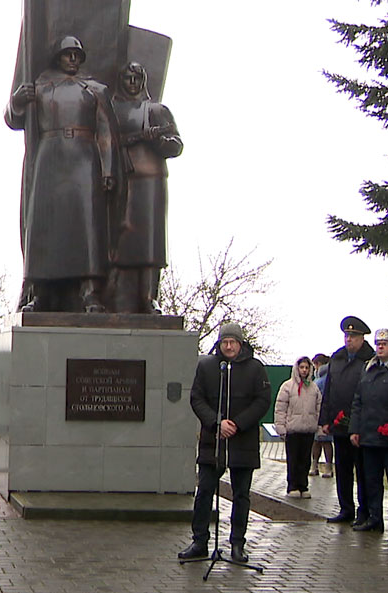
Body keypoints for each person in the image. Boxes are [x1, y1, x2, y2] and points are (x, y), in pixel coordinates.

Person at [6, 35, 115, 313]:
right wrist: (17, 101)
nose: (72, 59)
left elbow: (105, 133)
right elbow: (13, 120)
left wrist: (108, 168)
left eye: (77, 55)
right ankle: (41, 292)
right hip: (49, 157)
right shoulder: (41, 86)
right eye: (68, 54)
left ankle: (90, 291)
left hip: (84, 158)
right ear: (59, 56)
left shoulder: (95, 89)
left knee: (86, 226)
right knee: (45, 228)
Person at [178, 323, 271, 564]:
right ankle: (199, 541)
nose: (228, 346)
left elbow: (262, 401)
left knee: (241, 495)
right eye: (224, 342)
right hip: (213, 442)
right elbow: (196, 398)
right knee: (205, 492)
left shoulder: (255, 368)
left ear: (241, 344)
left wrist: (237, 424)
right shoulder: (208, 366)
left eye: (233, 342)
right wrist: (217, 422)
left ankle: (237, 544)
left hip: (243, 442)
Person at [108, 61, 183, 314]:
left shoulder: (157, 110)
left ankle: (149, 297)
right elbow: (105, 141)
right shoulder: (112, 110)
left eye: (136, 78)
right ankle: (114, 296)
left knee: (150, 242)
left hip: (152, 182)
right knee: (120, 239)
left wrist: (159, 140)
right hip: (122, 179)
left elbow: (176, 145)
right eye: (128, 78)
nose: (132, 83)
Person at [349, 328, 388, 537]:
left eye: (385, 344)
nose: (380, 347)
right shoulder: (369, 368)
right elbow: (358, 400)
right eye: (378, 344)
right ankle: (375, 519)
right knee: (371, 481)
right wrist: (355, 429)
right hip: (368, 435)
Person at [318, 316, 375, 526]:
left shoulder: (369, 359)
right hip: (339, 423)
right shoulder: (338, 357)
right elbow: (329, 390)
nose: (348, 340)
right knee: (342, 469)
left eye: (353, 336)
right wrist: (325, 419)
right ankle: (346, 509)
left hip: (359, 425)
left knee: (362, 471)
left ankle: (364, 511)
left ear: (362, 338)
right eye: (346, 335)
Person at [273, 356, 321, 499]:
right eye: (302, 367)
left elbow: (319, 407)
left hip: (308, 429)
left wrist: (317, 424)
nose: (304, 370)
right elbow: (280, 408)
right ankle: (292, 486)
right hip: (293, 429)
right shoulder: (287, 386)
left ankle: (303, 485)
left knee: (305, 460)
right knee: (293, 459)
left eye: (307, 367)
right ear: (297, 368)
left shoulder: (314, 388)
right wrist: (281, 427)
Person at [310, 353, 333, 478]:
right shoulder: (329, 377)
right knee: (322, 441)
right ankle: (327, 467)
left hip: (319, 415)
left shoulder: (319, 381)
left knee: (320, 442)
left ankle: (316, 466)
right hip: (325, 415)